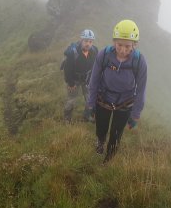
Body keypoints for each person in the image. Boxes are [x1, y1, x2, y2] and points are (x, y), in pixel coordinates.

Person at [86, 20, 147, 163]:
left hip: (125, 103)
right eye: (119, 44)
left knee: (116, 134)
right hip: (103, 98)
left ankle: (108, 161)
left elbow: (142, 89)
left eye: (128, 46)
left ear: (134, 45)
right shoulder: (104, 54)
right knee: (101, 127)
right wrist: (90, 104)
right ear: (114, 42)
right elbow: (94, 80)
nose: (123, 50)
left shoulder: (139, 61)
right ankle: (100, 142)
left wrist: (136, 114)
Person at [62, 29, 98, 123]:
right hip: (74, 80)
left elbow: (94, 66)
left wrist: (92, 79)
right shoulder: (73, 52)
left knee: (89, 99)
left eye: (90, 42)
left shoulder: (94, 51)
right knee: (71, 100)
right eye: (86, 41)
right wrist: (70, 83)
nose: (88, 44)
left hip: (87, 80)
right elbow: (67, 69)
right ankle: (67, 118)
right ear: (81, 40)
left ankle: (87, 116)